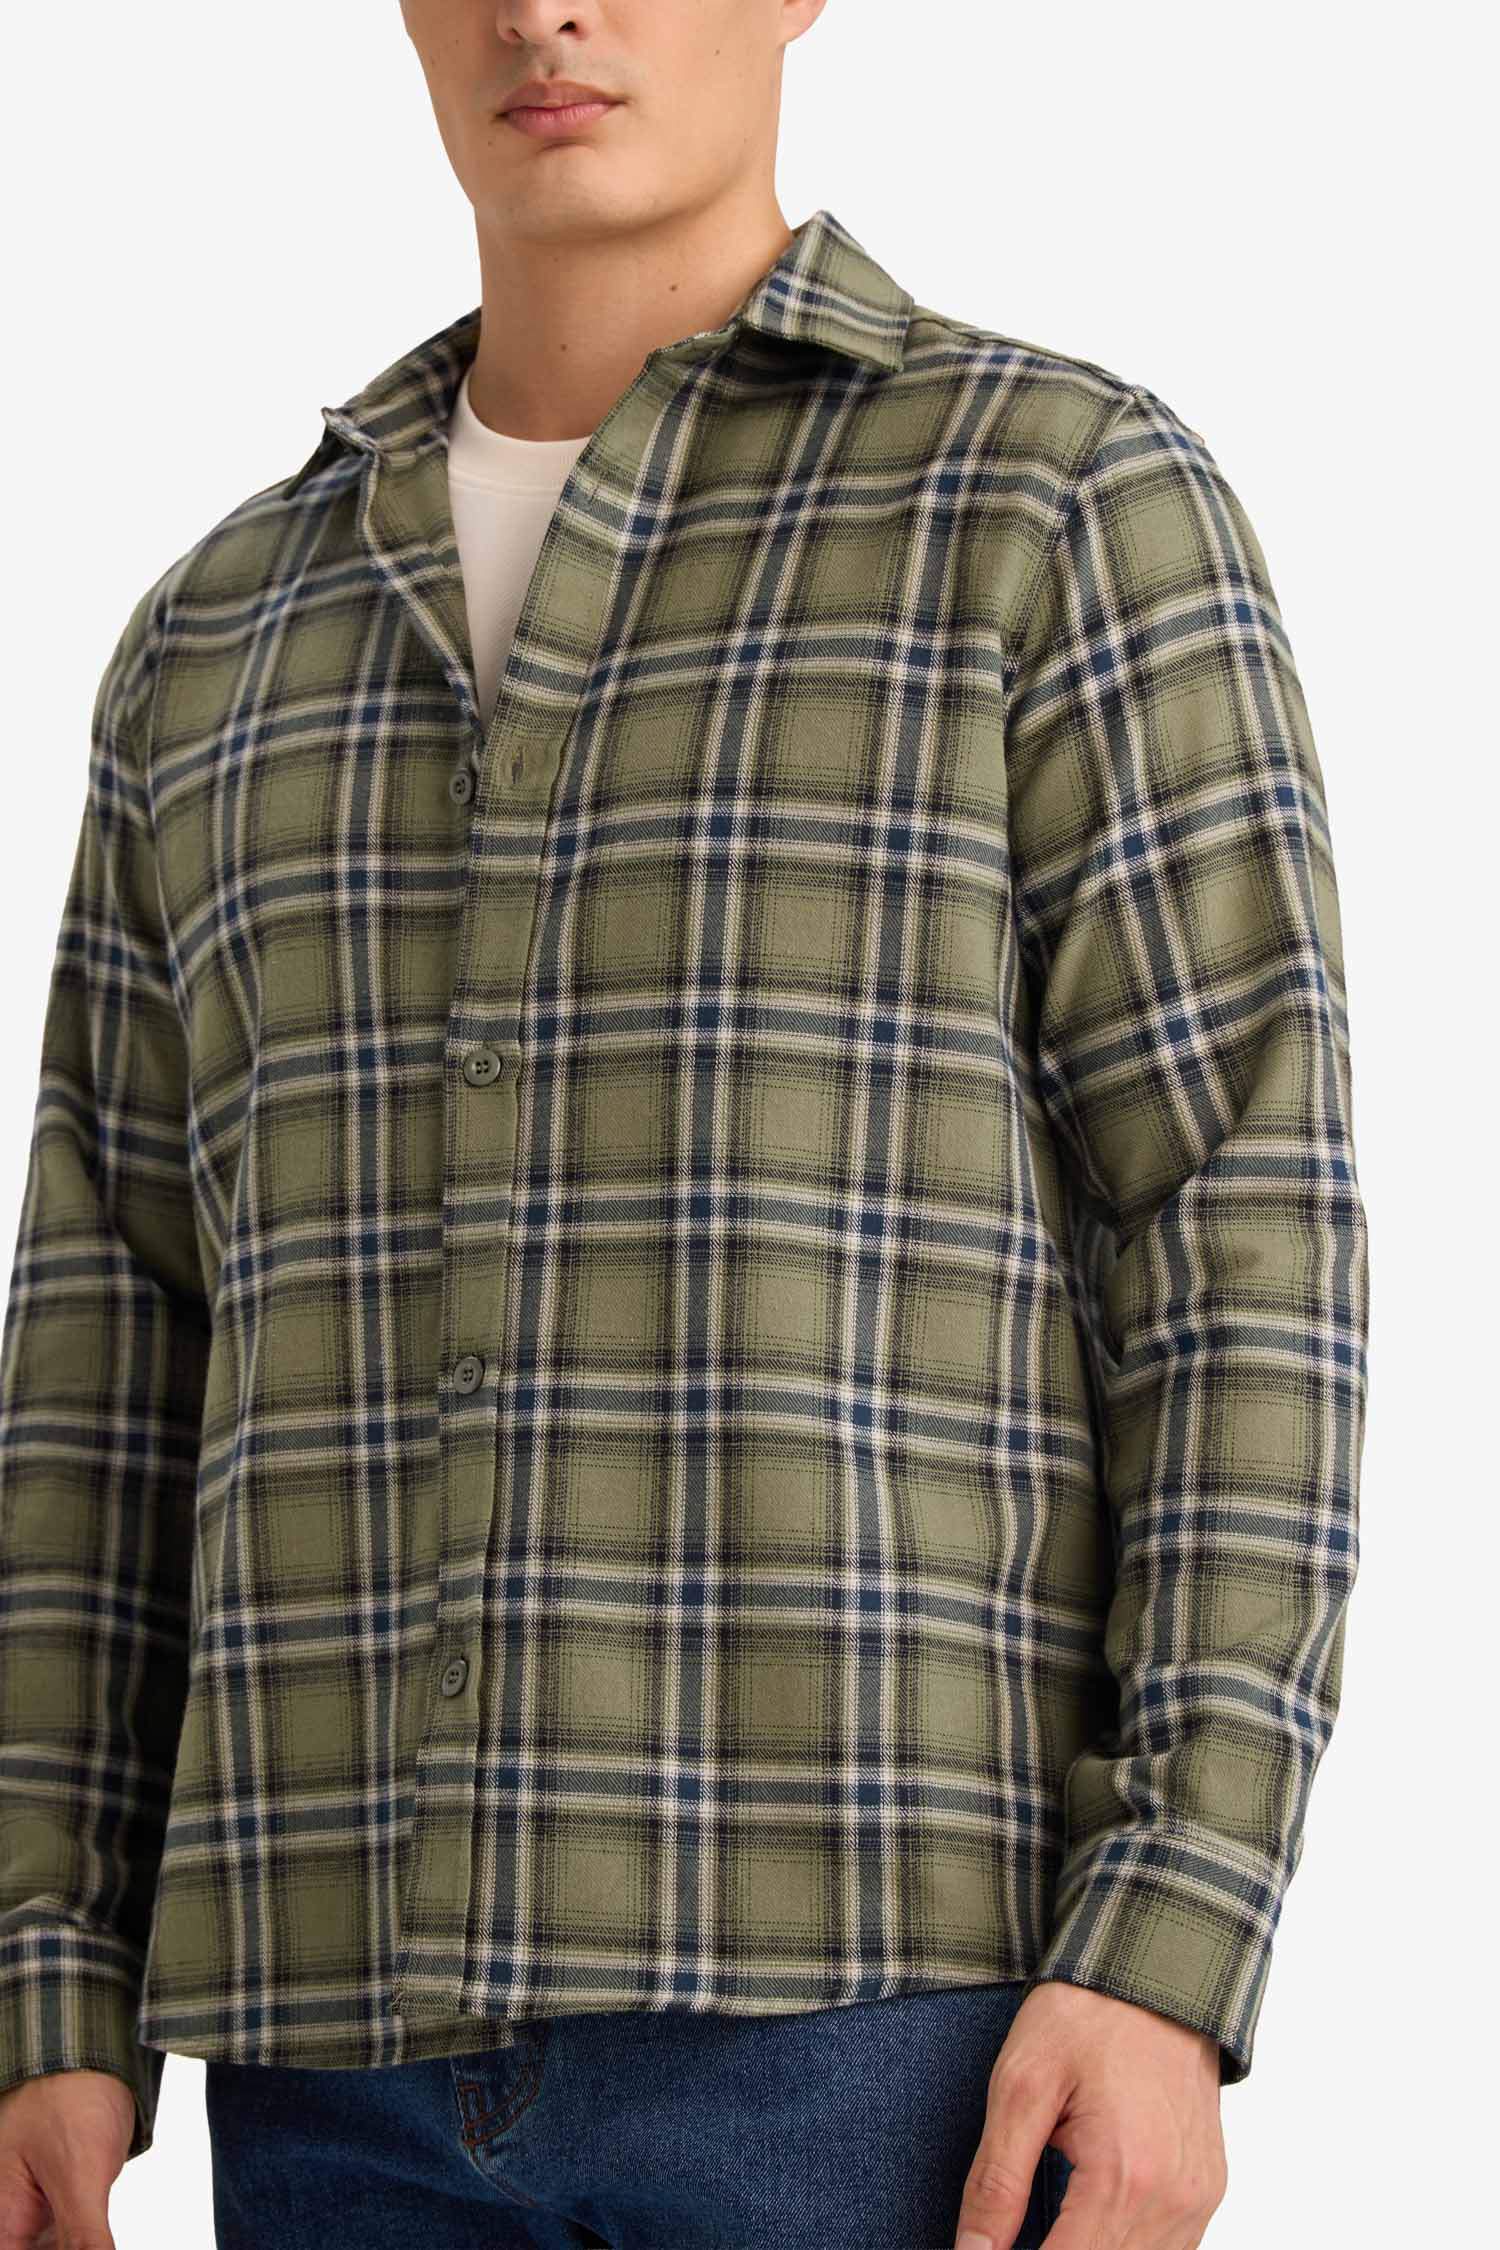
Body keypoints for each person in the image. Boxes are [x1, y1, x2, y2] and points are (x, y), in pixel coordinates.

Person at [0, 3, 1369, 2246]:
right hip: (327, 2063)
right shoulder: (213, 643)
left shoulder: (1046, 506)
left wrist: (1171, 1936)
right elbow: (105, 1359)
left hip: (886, 2043)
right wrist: (46, 1977)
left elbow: (1241, 1243)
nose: (546, 9)